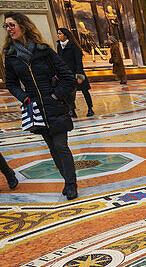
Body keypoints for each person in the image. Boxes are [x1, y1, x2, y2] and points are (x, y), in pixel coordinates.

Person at [4, 11, 78, 199]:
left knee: (61, 146)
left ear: (23, 26)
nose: (9, 29)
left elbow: (68, 77)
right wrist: (24, 98)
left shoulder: (43, 50)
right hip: (35, 108)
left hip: (54, 105)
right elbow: (11, 83)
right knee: (52, 148)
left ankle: (71, 184)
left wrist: (55, 94)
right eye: (6, 26)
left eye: (12, 25)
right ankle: (66, 179)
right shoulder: (11, 55)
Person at [57, 28, 94, 118]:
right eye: (58, 34)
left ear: (65, 35)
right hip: (67, 74)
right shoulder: (59, 46)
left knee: (85, 91)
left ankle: (90, 108)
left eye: (60, 33)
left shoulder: (74, 46)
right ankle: (72, 110)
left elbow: (78, 62)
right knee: (69, 93)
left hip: (77, 72)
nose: (58, 35)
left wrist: (79, 75)